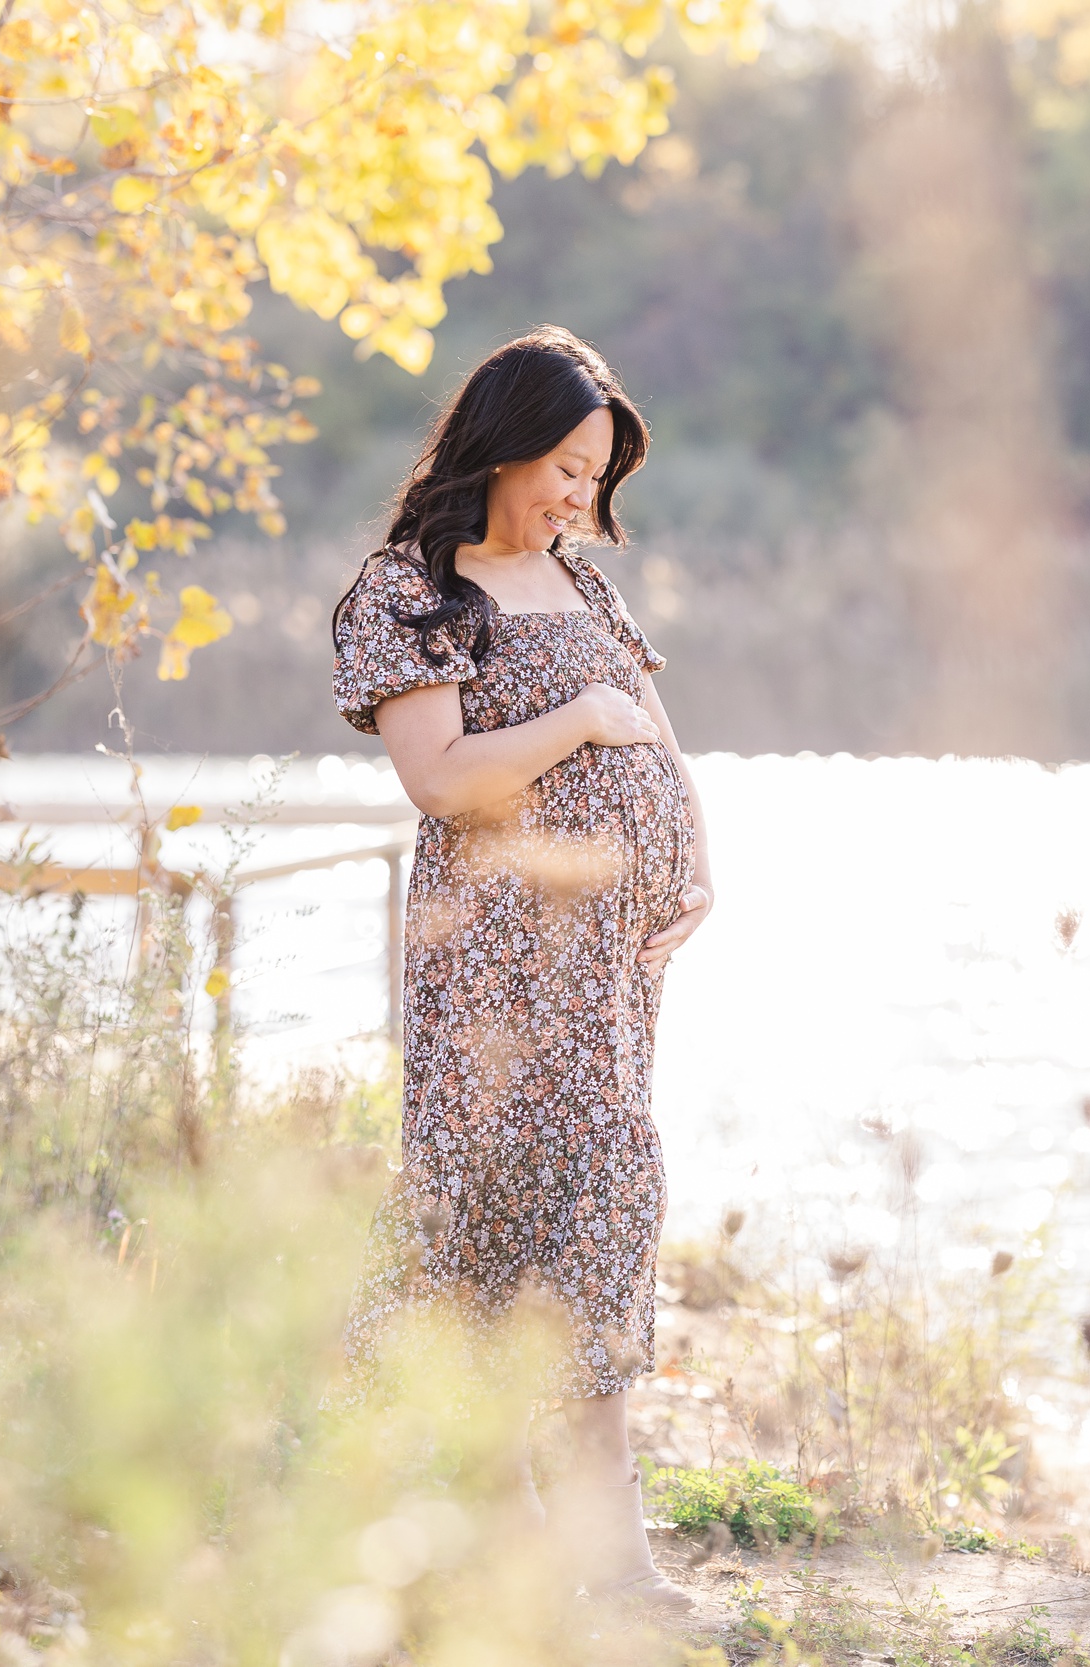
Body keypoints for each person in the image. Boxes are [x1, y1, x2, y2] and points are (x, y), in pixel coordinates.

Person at [328, 327, 715, 1616]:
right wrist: (580, 722)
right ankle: (552, 1559)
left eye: (597, 475)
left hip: (611, 977)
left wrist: (695, 864)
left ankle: (587, 1560)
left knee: (600, 1217)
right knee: (497, 1235)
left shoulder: (583, 585)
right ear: (498, 446)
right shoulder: (409, 593)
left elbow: (660, 739)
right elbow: (442, 781)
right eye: (562, 465)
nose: (579, 498)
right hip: (499, 976)